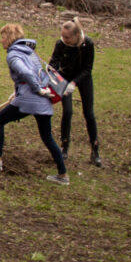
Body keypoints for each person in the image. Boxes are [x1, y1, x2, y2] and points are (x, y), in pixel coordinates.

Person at [0, 23, 69, 185]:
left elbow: (25, 73)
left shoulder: (13, 55)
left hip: (31, 99)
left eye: (3, 37)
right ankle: (63, 175)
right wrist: (19, 92)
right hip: (42, 100)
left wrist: (37, 90)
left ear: (10, 38)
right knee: (47, 137)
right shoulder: (30, 52)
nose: (1, 41)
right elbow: (37, 74)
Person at [48, 18, 101, 167]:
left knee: (89, 113)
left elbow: (88, 69)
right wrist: (52, 71)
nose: (64, 39)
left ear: (77, 35)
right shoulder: (60, 44)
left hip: (83, 78)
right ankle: (64, 148)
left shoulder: (88, 44)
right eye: (63, 36)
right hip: (65, 78)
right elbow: (54, 61)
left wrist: (75, 83)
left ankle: (95, 150)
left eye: (68, 37)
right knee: (68, 111)